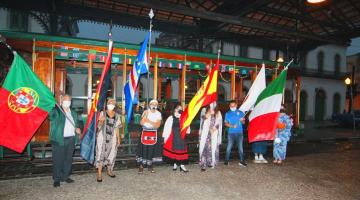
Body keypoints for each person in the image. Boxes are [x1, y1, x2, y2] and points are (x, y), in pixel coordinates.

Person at [49, 94, 81, 187]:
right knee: (58, 160)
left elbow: (77, 124)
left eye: (69, 100)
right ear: (61, 101)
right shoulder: (57, 111)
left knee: (68, 159)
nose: (68, 102)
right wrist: (52, 105)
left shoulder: (73, 113)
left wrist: (78, 128)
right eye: (66, 100)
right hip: (59, 139)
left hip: (71, 139)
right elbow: (50, 116)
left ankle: (65, 176)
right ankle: (57, 178)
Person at [95, 99, 122, 182]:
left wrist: (118, 138)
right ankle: (99, 173)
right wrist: (101, 121)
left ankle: (109, 170)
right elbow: (98, 127)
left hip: (112, 137)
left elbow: (117, 128)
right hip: (102, 137)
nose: (111, 104)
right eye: (110, 103)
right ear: (107, 104)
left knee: (112, 153)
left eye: (113, 103)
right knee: (100, 153)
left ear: (115, 105)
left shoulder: (117, 115)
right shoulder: (102, 113)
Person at [137, 99, 162, 173]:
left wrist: (148, 121)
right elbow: (141, 123)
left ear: (157, 105)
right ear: (149, 105)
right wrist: (147, 116)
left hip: (153, 133)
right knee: (143, 149)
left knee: (151, 149)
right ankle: (141, 166)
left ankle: (150, 165)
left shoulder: (158, 113)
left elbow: (157, 125)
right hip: (145, 132)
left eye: (155, 104)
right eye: (152, 104)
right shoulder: (145, 112)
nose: (154, 105)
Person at [162, 105, 190, 172]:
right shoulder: (171, 118)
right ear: (175, 109)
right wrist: (165, 138)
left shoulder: (184, 118)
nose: (179, 110)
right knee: (174, 151)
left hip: (182, 137)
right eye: (178, 108)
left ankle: (182, 165)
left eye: (180, 109)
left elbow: (187, 128)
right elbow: (166, 128)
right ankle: (175, 164)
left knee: (182, 151)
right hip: (173, 137)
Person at [199, 104, 222, 171]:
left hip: (214, 132)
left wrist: (214, 128)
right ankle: (203, 164)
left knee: (212, 147)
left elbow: (219, 122)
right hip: (205, 133)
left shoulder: (218, 112)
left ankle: (211, 162)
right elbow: (203, 118)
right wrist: (209, 113)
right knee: (204, 147)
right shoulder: (204, 110)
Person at [224, 100, 247, 167]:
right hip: (231, 133)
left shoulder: (241, 113)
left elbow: (243, 123)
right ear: (229, 106)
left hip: (239, 132)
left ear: (236, 105)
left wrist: (242, 120)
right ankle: (226, 161)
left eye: (233, 106)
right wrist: (232, 126)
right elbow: (225, 123)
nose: (232, 107)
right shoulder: (227, 113)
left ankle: (242, 161)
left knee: (240, 147)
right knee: (229, 147)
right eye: (231, 106)